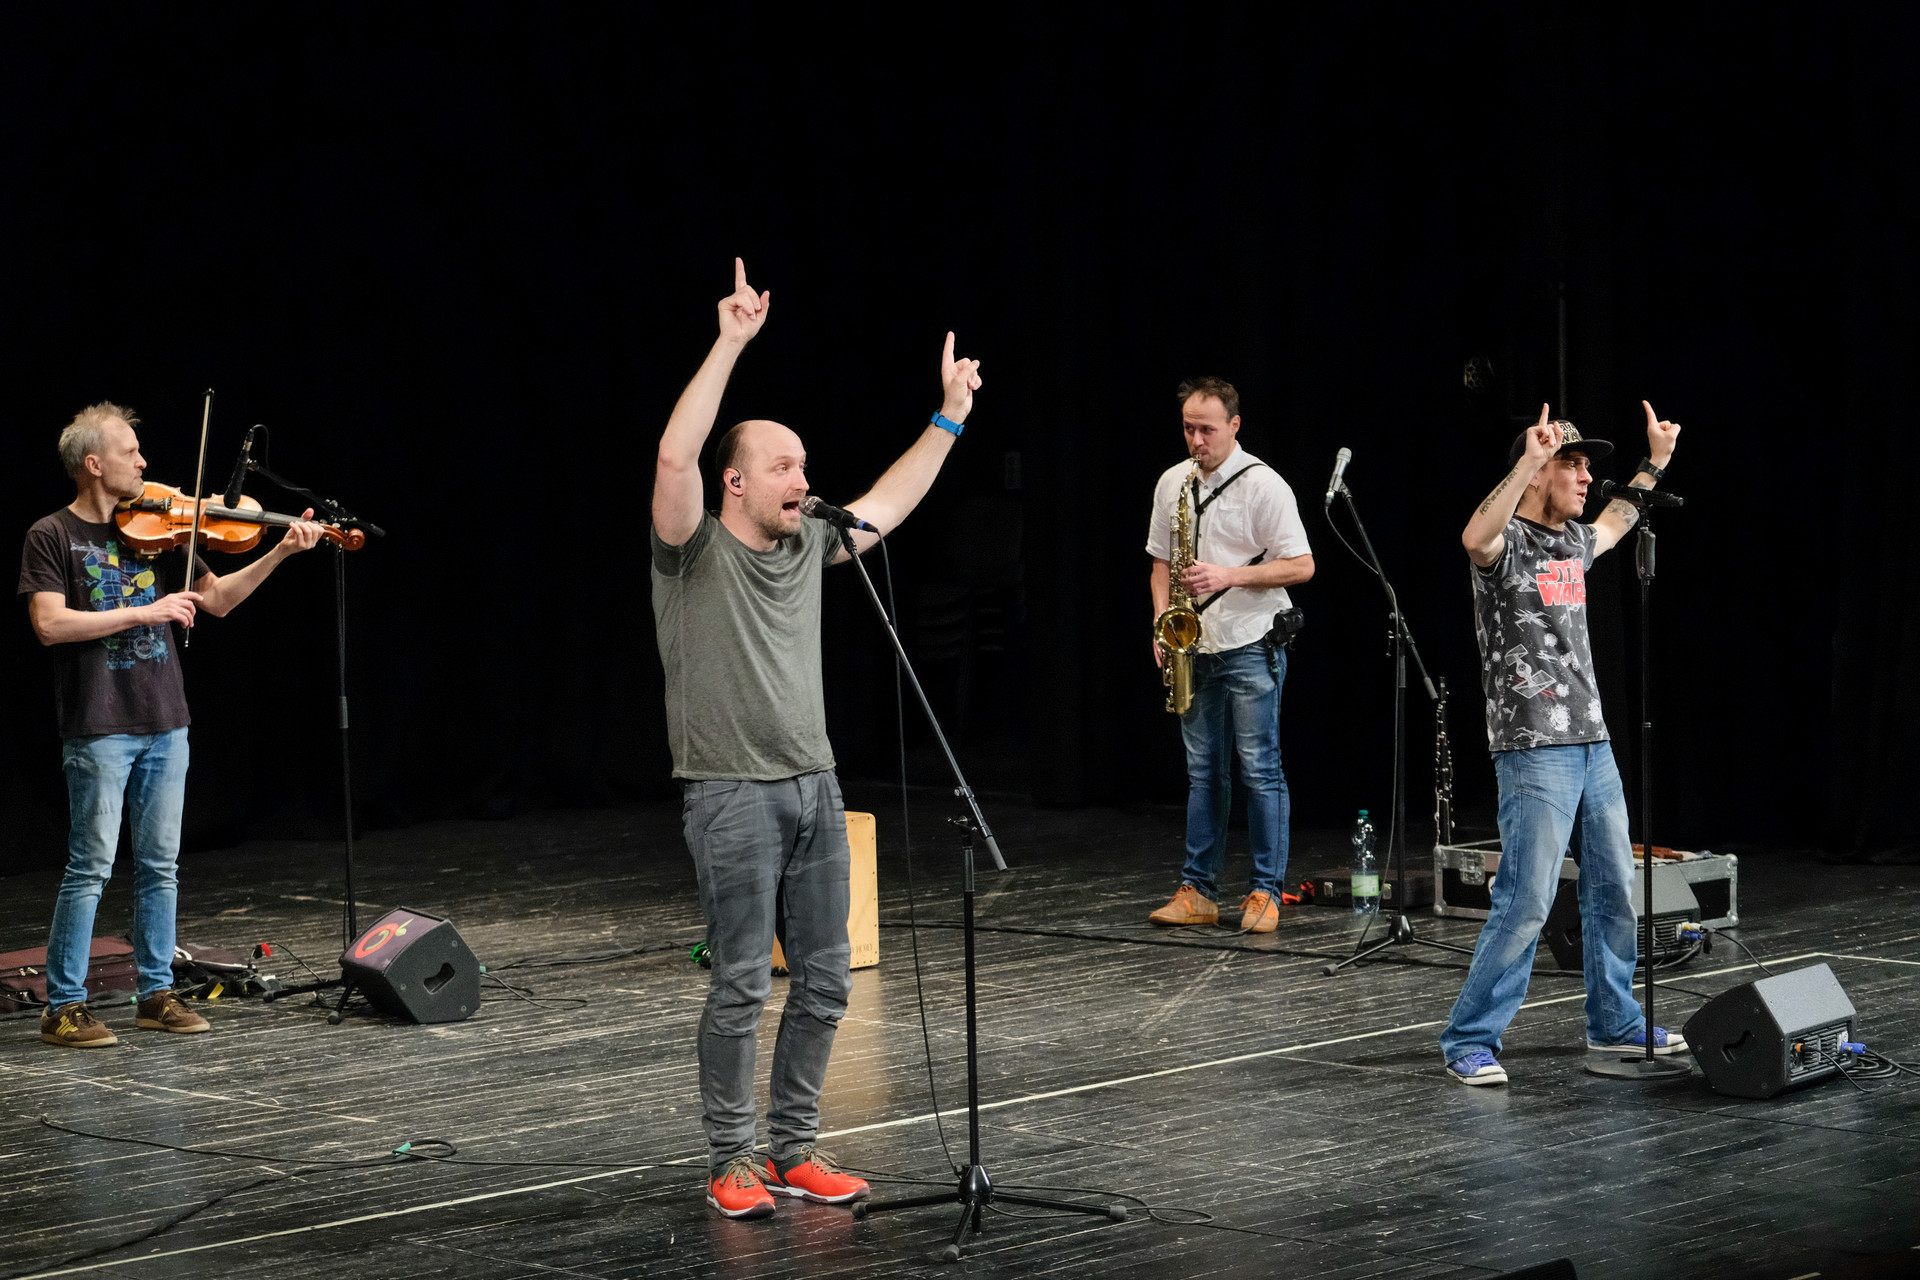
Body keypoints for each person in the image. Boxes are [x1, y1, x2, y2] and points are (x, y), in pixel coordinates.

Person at [650, 259, 981, 1218]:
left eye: (804, 464)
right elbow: (672, 459)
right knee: (741, 985)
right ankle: (732, 1158)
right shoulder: (692, 551)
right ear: (736, 481)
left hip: (815, 785)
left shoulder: (807, 545)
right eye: (784, 466)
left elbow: (889, 502)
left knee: (828, 979)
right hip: (729, 791)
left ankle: (795, 1148)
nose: (804, 478)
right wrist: (731, 343)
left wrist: (949, 417)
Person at [19, 403, 322, 1049]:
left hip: (165, 720)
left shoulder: (161, 529)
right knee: (91, 868)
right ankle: (63, 1007)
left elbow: (218, 601)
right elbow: (49, 624)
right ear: (94, 463)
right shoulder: (52, 534)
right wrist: (144, 612)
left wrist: (280, 552)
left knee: (161, 866)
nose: (144, 462)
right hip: (100, 725)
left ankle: (156, 995)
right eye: (130, 452)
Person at [1441, 402, 1685, 1085]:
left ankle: (1614, 1023)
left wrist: (1655, 461)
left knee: (1614, 889)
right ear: (1538, 473)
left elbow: (1620, 517)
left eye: (1585, 466)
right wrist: (1526, 460)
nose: (1583, 477)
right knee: (1527, 898)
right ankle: (1469, 1038)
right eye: (1570, 465)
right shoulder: (1508, 544)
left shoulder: (1573, 544)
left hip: (1592, 741)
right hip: (1533, 747)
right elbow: (1473, 536)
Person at [1145, 378, 1314, 934]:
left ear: (1234, 426)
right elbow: (1161, 565)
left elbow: (1302, 565)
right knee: (1203, 774)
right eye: (1188, 429)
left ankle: (1265, 891)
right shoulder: (1173, 482)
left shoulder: (1264, 485)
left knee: (1260, 769)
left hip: (1251, 641)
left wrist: (1228, 576)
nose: (1197, 440)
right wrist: (1161, 624)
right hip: (1193, 644)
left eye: (1207, 430)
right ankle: (1198, 890)